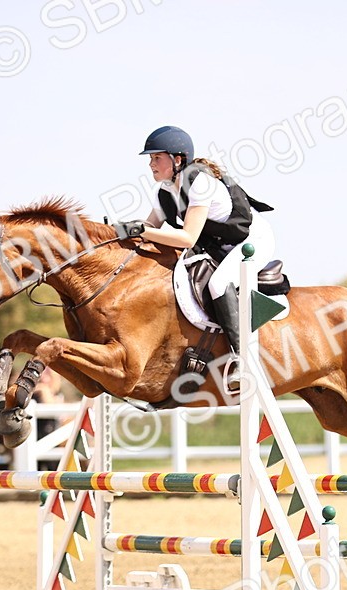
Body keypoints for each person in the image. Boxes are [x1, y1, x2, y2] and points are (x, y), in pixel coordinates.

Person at [110, 125, 275, 391]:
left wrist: (142, 231)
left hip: (252, 242)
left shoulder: (200, 183)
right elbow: (149, 228)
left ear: (178, 159)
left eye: (157, 158)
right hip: (219, 246)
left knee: (218, 284)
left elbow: (187, 238)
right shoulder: (165, 192)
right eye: (151, 159)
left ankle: (243, 360)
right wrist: (118, 233)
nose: (151, 164)